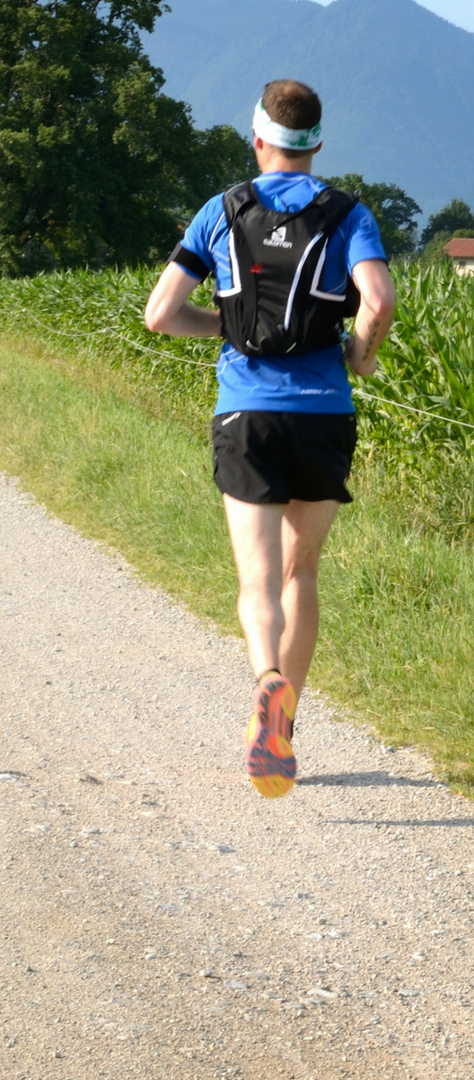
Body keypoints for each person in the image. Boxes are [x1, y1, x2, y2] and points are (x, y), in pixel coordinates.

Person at [144, 80, 395, 798]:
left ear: (257, 139)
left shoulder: (221, 211)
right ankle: (286, 727)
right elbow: (376, 301)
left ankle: (267, 681)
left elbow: (161, 313)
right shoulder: (348, 214)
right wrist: (361, 355)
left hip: (245, 412)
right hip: (324, 414)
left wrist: (223, 327)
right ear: (316, 144)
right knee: (300, 573)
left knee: (257, 581)